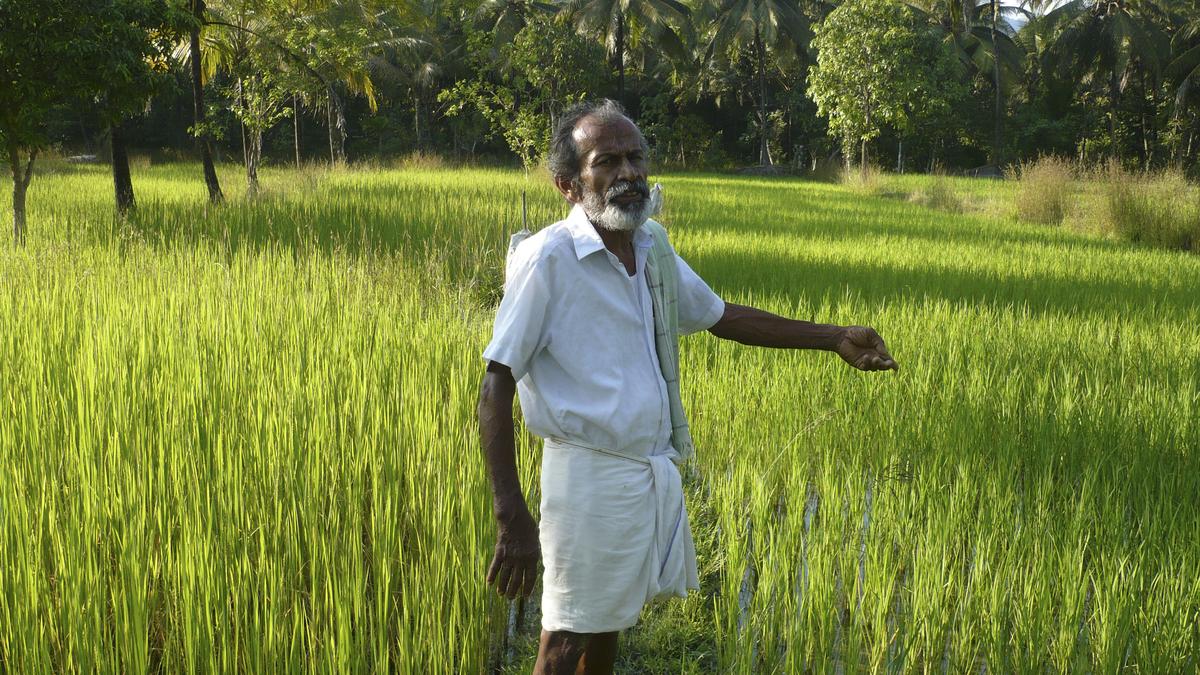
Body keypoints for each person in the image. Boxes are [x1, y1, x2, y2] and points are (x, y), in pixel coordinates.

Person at [478, 99, 897, 675]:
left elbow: (721, 315)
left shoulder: (651, 246)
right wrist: (511, 515)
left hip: (643, 470)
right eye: (608, 161)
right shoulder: (547, 259)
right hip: (586, 479)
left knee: (611, 621)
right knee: (567, 636)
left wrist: (832, 338)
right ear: (569, 185)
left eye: (636, 157)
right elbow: (495, 383)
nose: (629, 173)